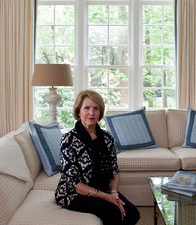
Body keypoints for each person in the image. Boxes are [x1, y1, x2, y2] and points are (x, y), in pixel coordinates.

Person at [55, 90, 140, 225]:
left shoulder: (107, 138)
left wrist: (113, 193)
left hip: (103, 189)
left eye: (96, 108)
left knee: (132, 213)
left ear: (100, 112)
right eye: (87, 108)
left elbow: (114, 170)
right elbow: (74, 184)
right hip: (75, 194)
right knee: (114, 214)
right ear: (78, 112)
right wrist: (107, 197)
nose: (92, 113)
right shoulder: (68, 140)